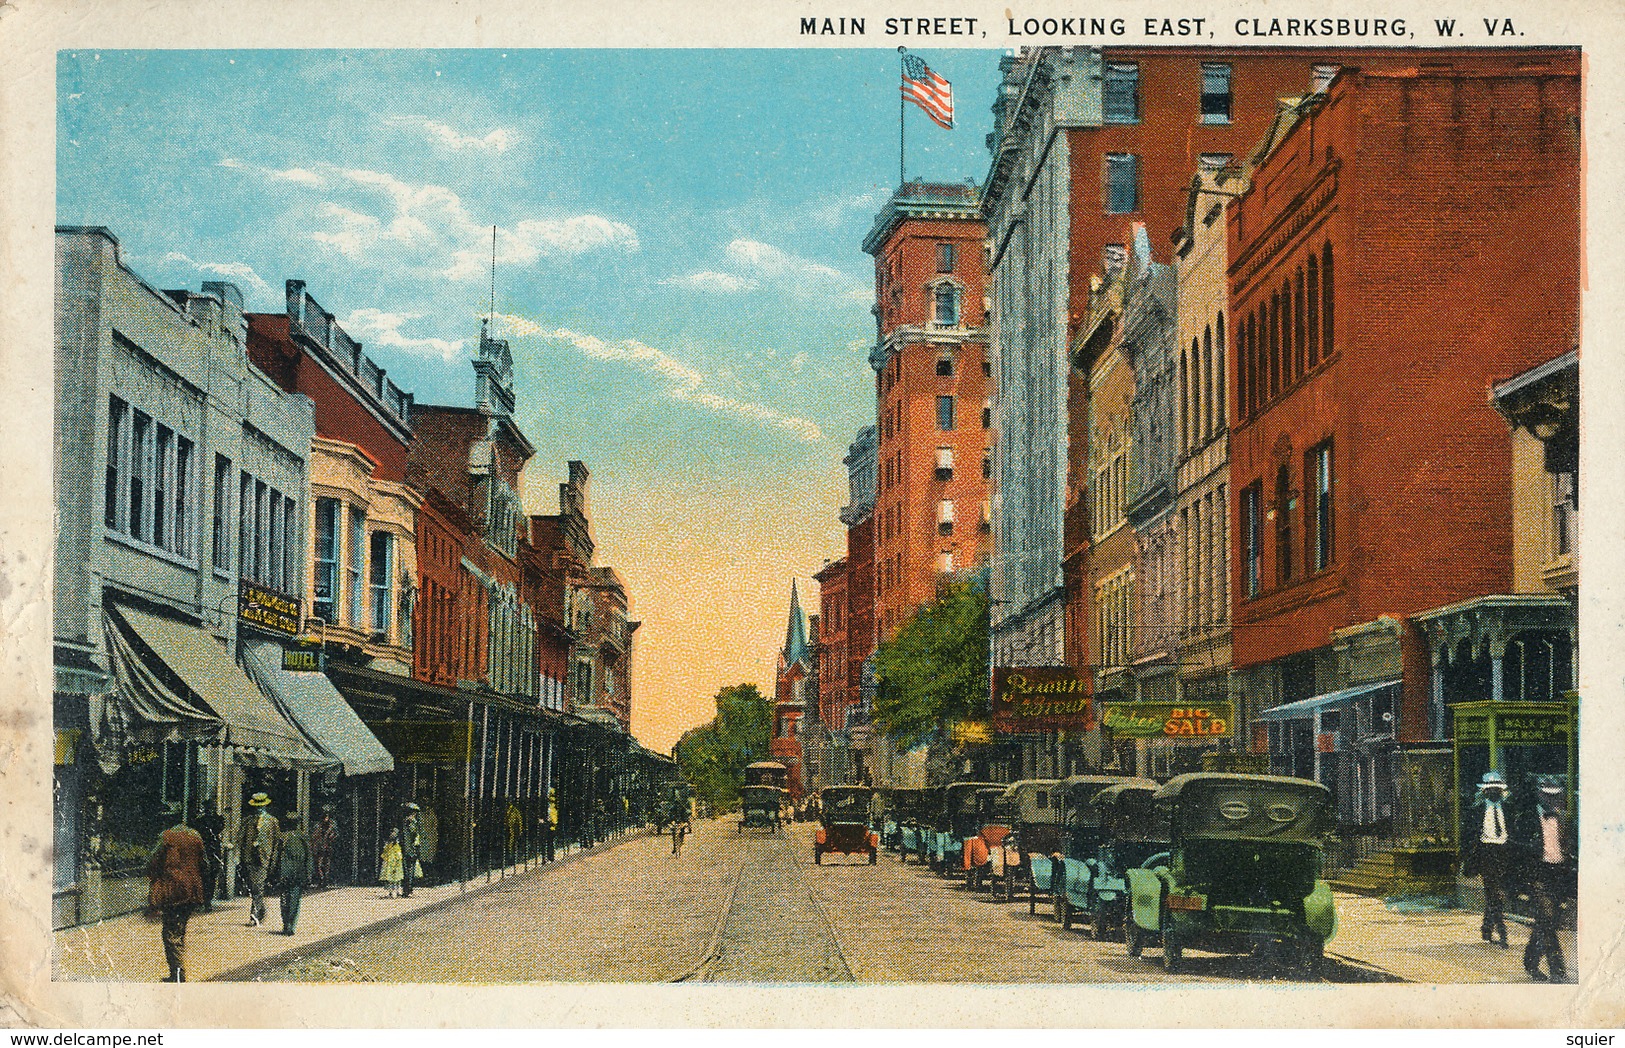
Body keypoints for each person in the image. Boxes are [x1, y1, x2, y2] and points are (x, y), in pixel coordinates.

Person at [1521, 778, 1576, 982]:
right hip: (1538, 875)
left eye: (1556, 796)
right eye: (1548, 795)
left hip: (1558, 875)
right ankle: (1557, 970)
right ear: (1539, 795)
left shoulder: (1565, 819)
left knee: (1547, 922)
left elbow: (1569, 847)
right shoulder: (1527, 818)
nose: (1553, 800)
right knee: (1547, 919)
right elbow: (1519, 851)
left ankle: (1530, 961)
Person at [146, 814, 208, 982]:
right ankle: (177, 971)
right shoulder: (195, 836)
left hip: (173, 890)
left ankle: (178, 975)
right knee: (179, 931)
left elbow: (152, 861)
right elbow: (204, 863)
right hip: (192, 890)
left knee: (171, 933)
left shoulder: (167, 837)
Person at [1462, 771, 1513, 948]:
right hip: (1486, 852)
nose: (1494, 792)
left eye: (1496, 789)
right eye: (1490, 789)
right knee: (1494, 892)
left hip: (1504, 852)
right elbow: (1468, 836)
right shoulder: (1477, 810)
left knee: (1495, 894)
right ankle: (1502, 930)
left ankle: (1487, 927)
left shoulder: (1508, 809)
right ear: (1484, 791)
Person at [236, 792, 281, 927]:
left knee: (257, 886)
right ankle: (260, 912)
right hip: (249, 858)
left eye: (262, 806)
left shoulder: (272, 821)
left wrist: (273, 859)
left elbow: (276, 842)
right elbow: (240, 839)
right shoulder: (247, 821)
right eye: (257, 806)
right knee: (255, 886)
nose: (259, 809)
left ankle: (255, 914)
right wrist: (239, 857)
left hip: (264, 859)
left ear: (266, 806)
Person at [277, 812, 315, 935]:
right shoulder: (301, 837)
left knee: (286, 899)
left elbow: (276, 857)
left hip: (287, 872)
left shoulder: (284, 837)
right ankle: (289, 924)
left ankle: (287, 924)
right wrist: (309, 873)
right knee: (293, 899)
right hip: (296, 872)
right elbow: (309, 856)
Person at [194, 805, 225, 914]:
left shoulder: (216, 821)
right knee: (205, 877)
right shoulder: (201, 821)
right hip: (205, 850)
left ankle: (206, 902)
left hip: (211, 852)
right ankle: (204, 901)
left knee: (210, 877)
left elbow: (219, 828)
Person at [311, 806, 337, 889]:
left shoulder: (332, 826)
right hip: (320, 847)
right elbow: (314, 837)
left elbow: (334, 835)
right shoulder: (318, 826)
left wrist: (331, 837)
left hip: (327, 847)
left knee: (326, 864)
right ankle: (322, 879)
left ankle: (325, 879)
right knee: (319, 864)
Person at [400, 802, 422, 897]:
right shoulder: (411, 822)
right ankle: (408, 890)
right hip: (411, 848)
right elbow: (414, 834)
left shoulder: (404, 822)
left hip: (405, 847)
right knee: (410, 869)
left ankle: (407, 889)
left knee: (406, 869)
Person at [379, 828, 404, 898]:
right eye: (392, 832)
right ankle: (389, 891)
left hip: (395, 861)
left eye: (394, 833)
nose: (392, 834)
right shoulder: (387, 844)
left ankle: (397, 891)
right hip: (388, 861)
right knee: (388, 877)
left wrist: (397, 860)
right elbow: (385, 853)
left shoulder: (397, 845)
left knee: (397, 878)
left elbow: (399, 854)